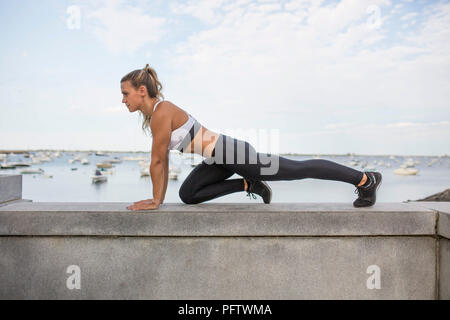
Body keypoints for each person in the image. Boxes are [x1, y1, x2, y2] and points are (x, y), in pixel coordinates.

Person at [124, 65, 382, 211]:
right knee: (189, 194)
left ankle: (365, 180)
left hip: (232, 153)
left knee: (299, 169)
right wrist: (159, 199)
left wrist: (156, 201)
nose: (123, 100)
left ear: (142, 91)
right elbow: (162, 161)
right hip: (219, 159)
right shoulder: (158, 114)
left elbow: (157, 162)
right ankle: (250, 185)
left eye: (126, 93)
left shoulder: (161, 112)